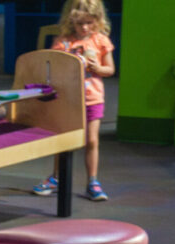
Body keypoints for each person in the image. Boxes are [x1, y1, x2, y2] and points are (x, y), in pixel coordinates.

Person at [31, 0, 116, 201]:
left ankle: (92, 182)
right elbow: (53, 68)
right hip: (68, 99)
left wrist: (98, 68)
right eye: (80, 23)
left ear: (97, 20)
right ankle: (56, 177)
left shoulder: (100, 40)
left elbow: (110, 69)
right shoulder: (63, 42)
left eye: (89, 22)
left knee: (92, 140)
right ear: (71, 21)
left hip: (93, 98)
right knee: (64, 140)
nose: (84, 27)